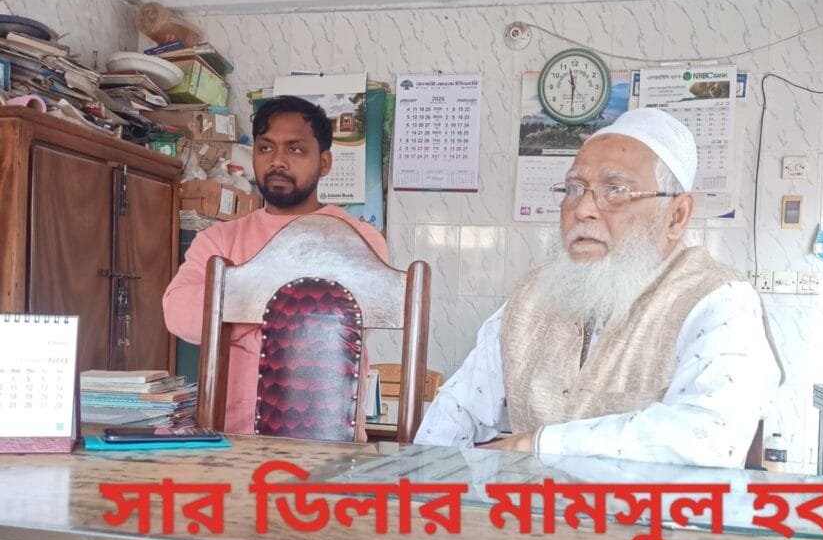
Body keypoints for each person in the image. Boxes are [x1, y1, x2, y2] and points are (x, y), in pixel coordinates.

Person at [415, 108, 782, 467]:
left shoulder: (718, 300)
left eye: (616, 190)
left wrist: (538, 444)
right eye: (574, 188)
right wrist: (421, 482)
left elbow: (709, 437)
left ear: (676, 215)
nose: (583, 209)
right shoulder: (532, 296)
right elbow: (456, 410)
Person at [163, 95, 388, 434]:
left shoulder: (358, 239)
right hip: (228, 443)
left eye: (295, 149)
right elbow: (178, 314)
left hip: (328, 442)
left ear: (324, 162)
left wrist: (231, 321)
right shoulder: (219, 238)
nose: (278, 161)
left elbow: (334, 332)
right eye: (266, 148)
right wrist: (279, 314)